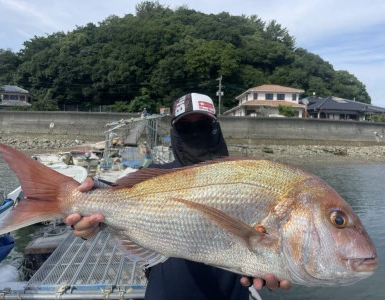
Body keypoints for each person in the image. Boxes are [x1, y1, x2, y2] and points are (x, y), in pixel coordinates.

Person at [66, 93, 291, 299]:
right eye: (185, 127)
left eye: (202, 125)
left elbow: (258, 239)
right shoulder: (157, 174)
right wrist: (85, 223)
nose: (195, 133)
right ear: (175, 133)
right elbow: (116, 201)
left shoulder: (242, 175)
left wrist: (269, 262)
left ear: (215, 128)